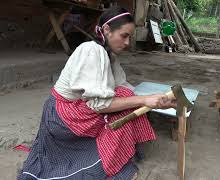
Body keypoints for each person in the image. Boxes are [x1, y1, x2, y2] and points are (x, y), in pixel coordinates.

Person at [18, 6, 176, 180]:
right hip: (62, 117)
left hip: (76, 110)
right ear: (107, 30)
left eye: (130, 37)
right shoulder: (91, 51)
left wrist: (158, 99)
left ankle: (113, 153)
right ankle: (109, 159)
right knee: (124, 108)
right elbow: (100, 105)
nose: (127, 43)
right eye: (124, 36)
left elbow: (123, 85)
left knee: (125, 95)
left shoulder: (108, 54)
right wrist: (144, 100)